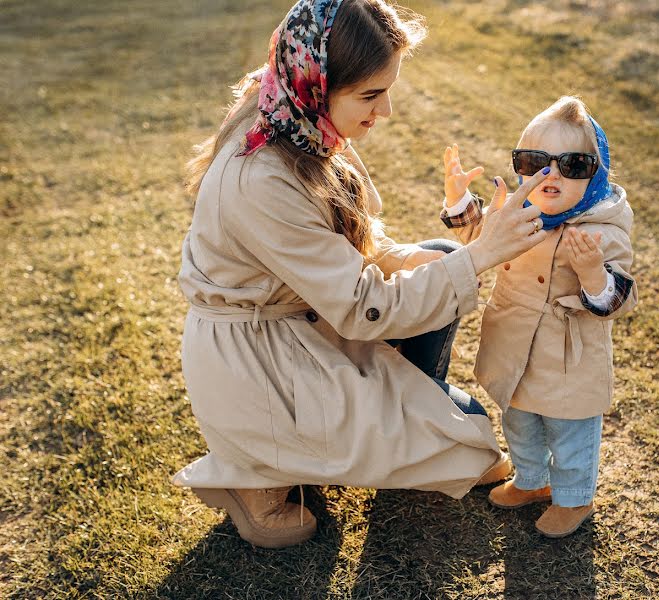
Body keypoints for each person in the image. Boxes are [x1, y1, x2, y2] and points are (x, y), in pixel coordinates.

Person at [171, 0, 553, 548]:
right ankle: (257, 471)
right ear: (318, 84)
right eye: (371, 96)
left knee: (440, 262)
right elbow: (363, 307)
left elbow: (360, 244)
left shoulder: (300, 119)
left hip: (310, 319)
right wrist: (478, 256)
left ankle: (407, 413)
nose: (387, 110)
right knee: (469, 450)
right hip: (259, 361)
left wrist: (421, 260)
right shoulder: (259, 175)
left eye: (387, 90)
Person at [439, 96, 638, 538]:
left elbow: (620, 298)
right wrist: (458, 201)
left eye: (572, 164)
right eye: (535, 161)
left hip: (567, 358)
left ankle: (575, 498)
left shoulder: (604, 230)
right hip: (515, 347)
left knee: (570, 433)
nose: (551, 174)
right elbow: (482, 237)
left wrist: (592, 273)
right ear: (521, 167)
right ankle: (532, 481)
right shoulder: (521, 211)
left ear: (596, 173)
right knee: (519, 420)